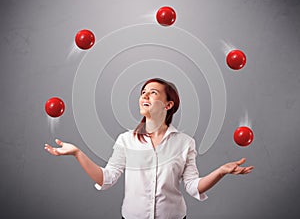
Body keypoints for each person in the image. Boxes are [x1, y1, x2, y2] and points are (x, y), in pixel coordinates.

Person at [44, 78, 254, 219]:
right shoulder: (126, 140)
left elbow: (193, 187)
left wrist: (221, 172)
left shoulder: (185, 142)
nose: (144, 96)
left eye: (152, 93)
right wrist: (77, 153)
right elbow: (106, 179)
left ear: (168, 105)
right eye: (143, 92)